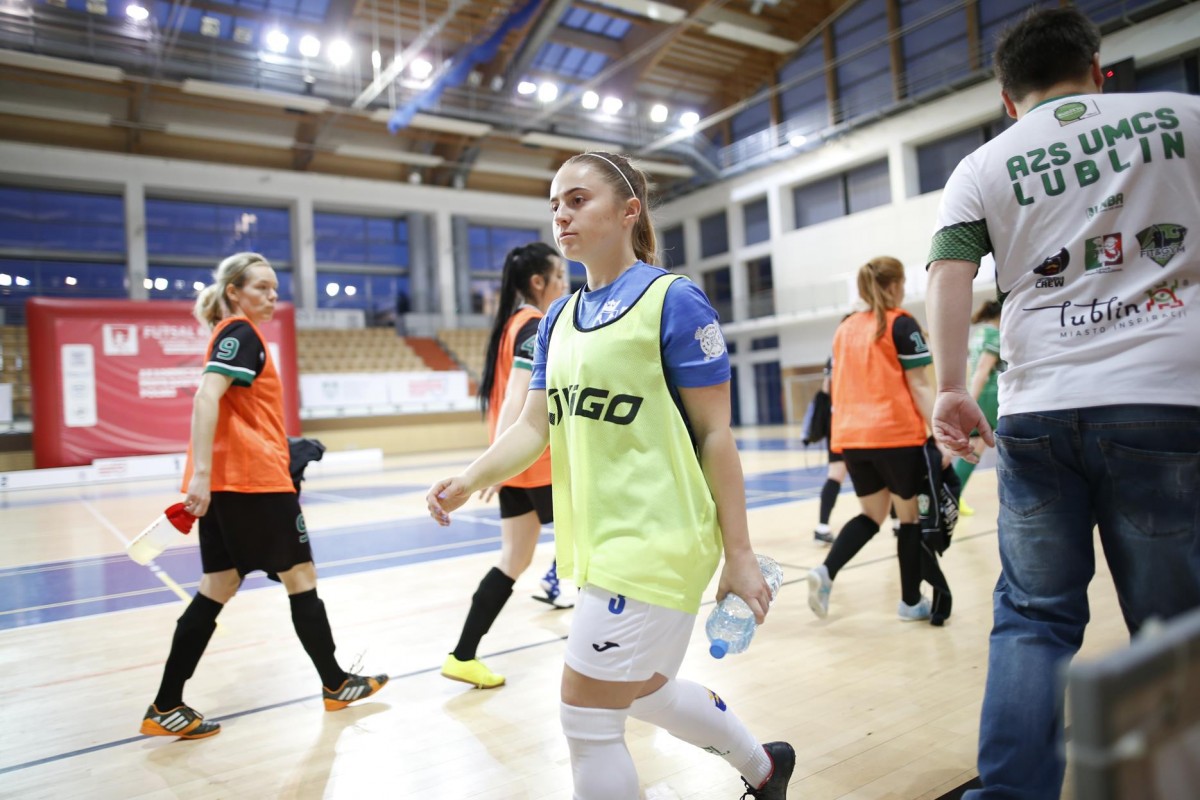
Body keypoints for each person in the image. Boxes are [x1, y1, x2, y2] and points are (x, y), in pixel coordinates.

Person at [427, 151, 794, 799]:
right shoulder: (558, 319)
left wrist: (739, 554)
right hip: (600, 545)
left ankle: (761, 769)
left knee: (587, 719)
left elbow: (716, 435)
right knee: (647, 694)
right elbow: (533, 428)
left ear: (629, 211)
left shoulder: (673, 301)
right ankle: (764, 768)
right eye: (555, 205)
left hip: (658, 539)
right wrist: (467, 478)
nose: (561, 216)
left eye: (577, 200)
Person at [924, 8, 1200, 797]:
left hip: (1038, 409)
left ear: (1007, 97)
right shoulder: (1184, 118)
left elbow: (947, 274)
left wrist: (952, 388)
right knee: (1175, 621)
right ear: (1098, 70)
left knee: (1033, 618)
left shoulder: (983, 164)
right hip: (1164, 399)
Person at [140, 253, 387, 740]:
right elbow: (206, 396)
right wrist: (200, 474)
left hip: (235, 483)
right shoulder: (241, 332)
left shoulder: (235, 335)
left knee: (218, 586)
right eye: (261, 287)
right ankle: (336, 683)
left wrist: (281, 447)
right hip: (251, 483)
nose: (272, 296)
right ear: (234, 291)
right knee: (300, 575)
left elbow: (239, 412)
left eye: (275, 288)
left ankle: (165, 705)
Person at [440, 242, 569, 690]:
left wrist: (497, 464)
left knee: (514, 560)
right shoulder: (533, 324)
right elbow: (517, 396)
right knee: (595, 558)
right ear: (538, 282)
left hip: (518, 467)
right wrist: (493, 464)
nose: (565, 285)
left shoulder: (511, 325)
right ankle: (612, 660)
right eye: (560, 277)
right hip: (539, 463)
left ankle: (462, 655)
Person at [805, 257, 950, 624]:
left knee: (872, 515)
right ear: (894, 286)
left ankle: (826, 571)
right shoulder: (901, 322)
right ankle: (910, 602)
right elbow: (920, 386)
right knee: (909, 519)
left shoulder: (845, 328)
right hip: (896, 436)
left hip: (853, 439)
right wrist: (941, 434)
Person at [951, 300, 1001, 516]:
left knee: (975, 447)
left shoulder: (978, 335)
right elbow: (982, 369)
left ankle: (952, 495)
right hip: (991, 396)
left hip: (979, 395)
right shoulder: (995, 335)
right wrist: (969, 401)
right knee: (1017, 443)